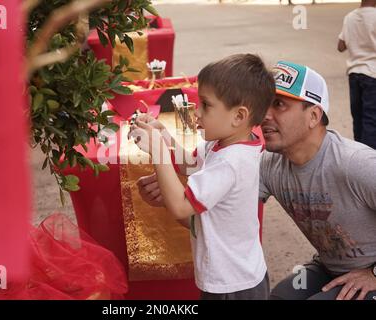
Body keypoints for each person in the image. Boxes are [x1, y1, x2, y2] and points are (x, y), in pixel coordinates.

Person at [138, 61, 376, 300]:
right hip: (329, 266)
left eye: (279, 105)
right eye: (264, 104)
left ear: (313, 115)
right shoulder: (267, 163)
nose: (264, 115)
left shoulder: (357, 164)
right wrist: (168, 195)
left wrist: (373, 273)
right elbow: (220, 222)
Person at [129, 54, 275, 300]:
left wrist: (158, 151)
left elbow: (181, 207)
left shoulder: (231, 163)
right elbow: (191, 164)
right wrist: (164, 136)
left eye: (205, 105)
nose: (196, 112)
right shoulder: (224, 145)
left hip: (233, 286)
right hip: (237, 277)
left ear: (238, 116)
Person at [337, 0, 376, 149]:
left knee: (358, 118)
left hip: (354, 74)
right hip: (373, 74)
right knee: (371, 120)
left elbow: (340, 46)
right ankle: (369, 161)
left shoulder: (350, 17)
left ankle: (358, 154)